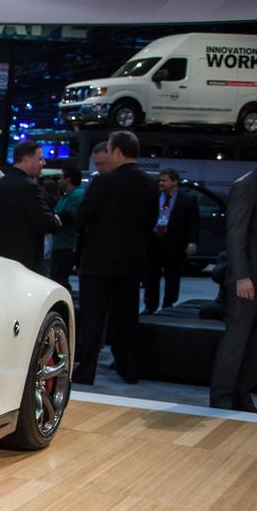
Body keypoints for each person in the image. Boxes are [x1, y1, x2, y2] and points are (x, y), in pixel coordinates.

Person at [71, 130, 158, 385]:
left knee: (93, 319)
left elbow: (81, 219)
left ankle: (87, 369)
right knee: (127, 318)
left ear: (118, 151)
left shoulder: (103, 183)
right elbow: (150, 223)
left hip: (98, 262)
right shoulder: (150, 184)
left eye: (109, 150)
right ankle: (128, 369)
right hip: (131, 262)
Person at [209, 126, 257, 412]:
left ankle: (243, 396)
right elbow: (236, 235)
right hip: (248, 279)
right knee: (236, 341)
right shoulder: (246, 185)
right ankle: (221, 398)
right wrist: (242, 276)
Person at [0, 140, 61, 273]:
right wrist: (56, 219)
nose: (44, 163)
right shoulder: (29, 186)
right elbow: (47, 223)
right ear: (27, 159)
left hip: (3, 258)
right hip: (26, 262)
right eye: (40, 159)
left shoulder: (1, 183)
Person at [143, 169, 199, 313]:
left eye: (165, 180)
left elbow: (194, 223)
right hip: (154, 240)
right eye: (160, 180)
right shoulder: (154, 196)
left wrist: (192, 241)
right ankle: (150, 305)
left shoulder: (188, 199)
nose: (161, 183)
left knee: (172, 275)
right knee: (151, 275)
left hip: (175, 242)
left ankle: (168, 304)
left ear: (175, 181)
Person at [50, 167, 84, 292]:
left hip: (69, 245)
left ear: (68, 179)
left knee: (60, 279)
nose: (58, 181)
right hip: (60, 244)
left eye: (61, 177)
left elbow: (67, 216)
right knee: (57, 278)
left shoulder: (78, 194)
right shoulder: (65, 196)